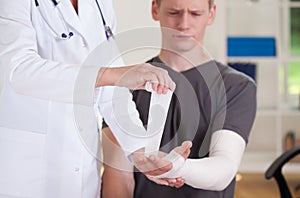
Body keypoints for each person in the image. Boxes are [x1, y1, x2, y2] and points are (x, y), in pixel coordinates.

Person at [0, 0, 177, 197]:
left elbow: (112, 93)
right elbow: (19, 70)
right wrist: (112, 75)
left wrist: (140, 152)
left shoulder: (100, 4)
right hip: (30, 171)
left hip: (83, 169)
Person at [101, 0, 257, 197]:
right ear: (155, 10)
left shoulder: (236, 86)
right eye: (174, 12)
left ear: (211, 14)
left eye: (195, 14)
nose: (184, 24)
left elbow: (223, 169)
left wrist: (175, 167)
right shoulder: (127, 86)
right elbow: (118, 177)